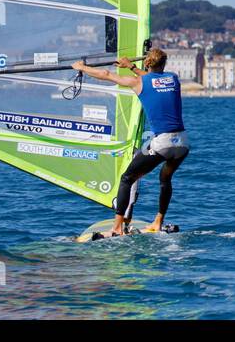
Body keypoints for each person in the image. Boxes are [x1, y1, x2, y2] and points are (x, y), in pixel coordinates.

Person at [72, 47, 189, 235]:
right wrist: (131, 67)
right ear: (164, 64)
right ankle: (158, 221)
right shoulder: (173, 79)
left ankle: (117, 228)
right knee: (165, 179)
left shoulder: (138, 82)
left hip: (163, 143)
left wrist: (81, 67)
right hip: (182, 143)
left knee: (127, 178)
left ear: (147, 63)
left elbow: (106, 74)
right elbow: (154, 80)